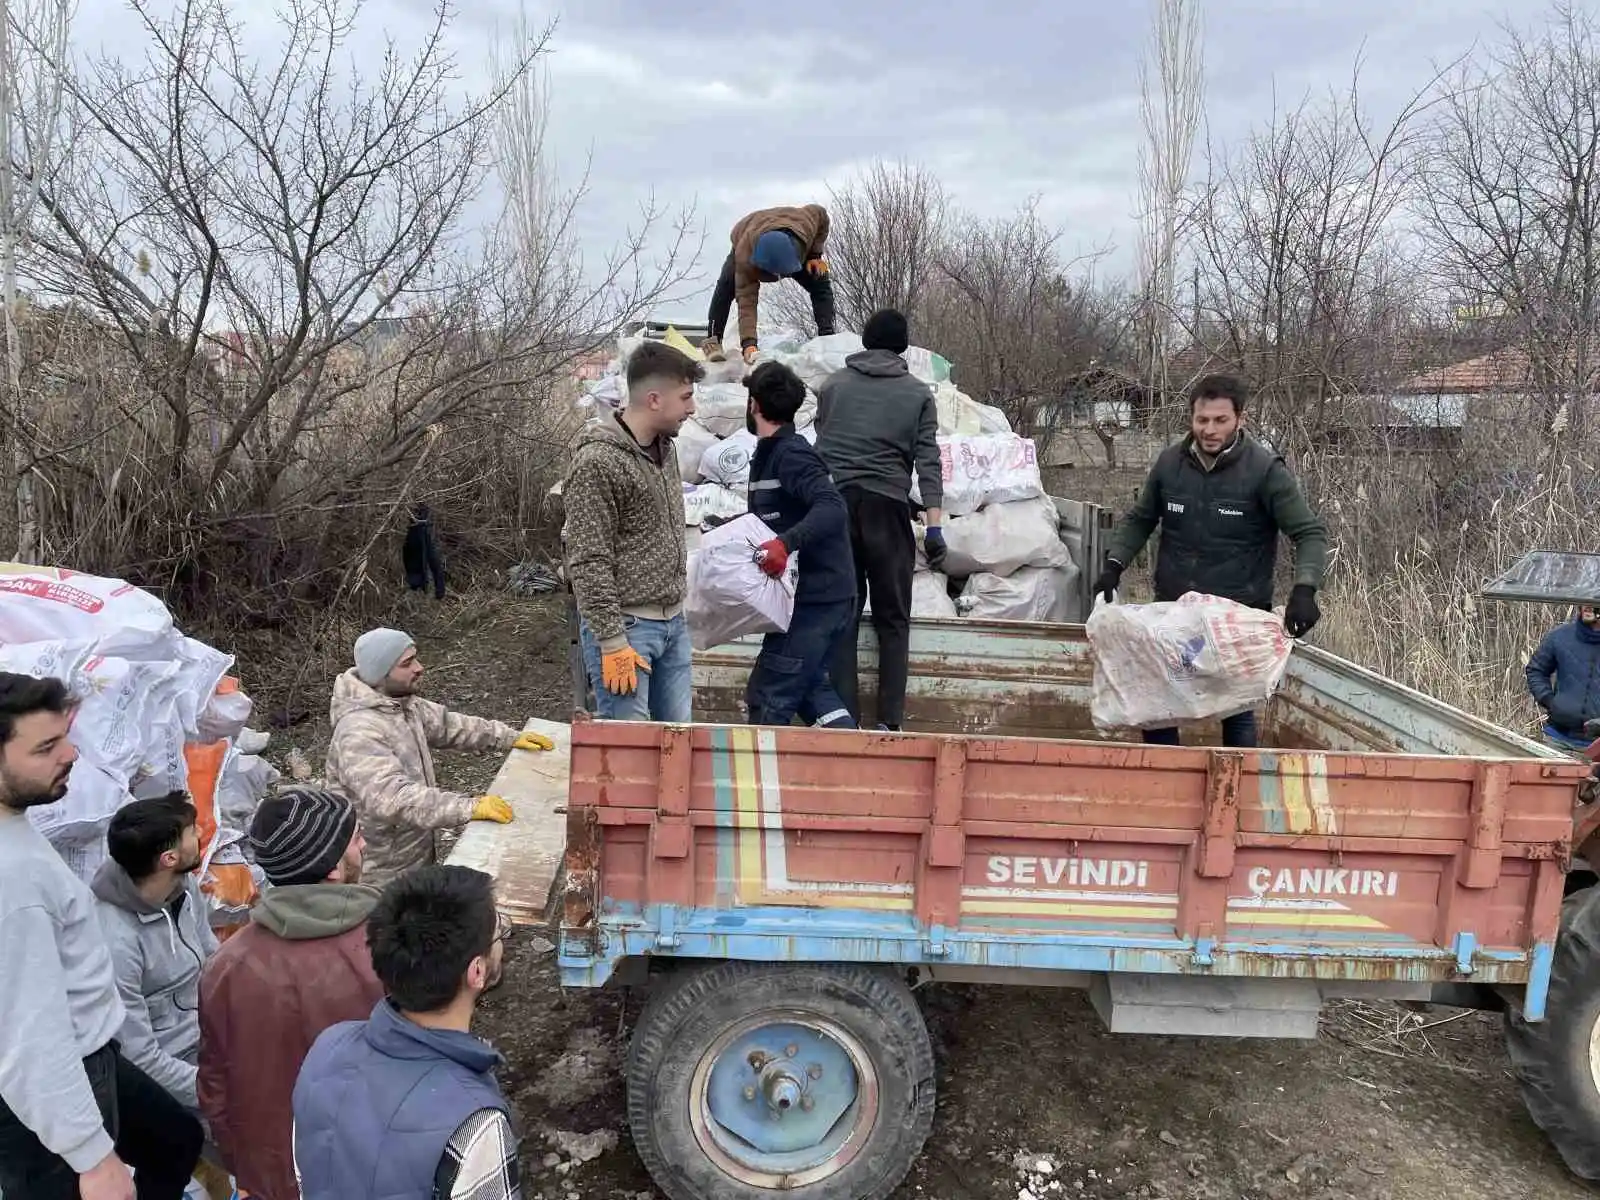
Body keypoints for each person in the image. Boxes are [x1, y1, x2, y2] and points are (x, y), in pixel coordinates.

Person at [0, 672, 204, 1200]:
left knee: (176, 1139)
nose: (70, 753)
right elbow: (28, 1037)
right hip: (58, 1077)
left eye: (64, 735)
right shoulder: (13, 883)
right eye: (46, 746)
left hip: (95, 1055)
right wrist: (92, 1158)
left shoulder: (14, 828)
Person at [1094, 373, 1329, 749]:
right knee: (1158, 704)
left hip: (1234, 618)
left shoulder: (1264, 471)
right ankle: (1164, 783)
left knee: (1235, 712)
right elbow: (1140, 519)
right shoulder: (1170, 464)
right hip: (1174, 612)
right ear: (1191, 418)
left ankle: (1234, 795)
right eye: (1202, 420)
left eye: (1221, 420)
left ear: (1241, 419)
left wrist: (1305, 588)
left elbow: (1309, 533)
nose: (1210, 429)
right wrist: (1114, 565)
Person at [198, 787, 385, 1200]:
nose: (365, 844)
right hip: (368, 1171)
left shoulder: (226, 966)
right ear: (334, 868)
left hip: (271, 1176)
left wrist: (244, 1167)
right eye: (355, 838)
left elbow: (215, 1086)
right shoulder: (388, 951)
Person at [292, 866, 517, 1200]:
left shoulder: (326, 1048)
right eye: (499, 936)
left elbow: (304, 1177)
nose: (501, 944)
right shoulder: (476, 1124)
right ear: (477, 971)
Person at [324, 628, 553, 888]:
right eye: (407, 663)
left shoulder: (402, 704)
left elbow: (450, 726)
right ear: (380, 673)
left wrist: (508, 737)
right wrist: (468, 807)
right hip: (377, 871)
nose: (419, 668)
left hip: (413, 853)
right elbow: (392, 798)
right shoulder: (358, 732)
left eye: (416, 658)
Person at [814, 308, 945, 731]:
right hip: (888, 511)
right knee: (893, 618)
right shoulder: (917, 393)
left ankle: (844, 723)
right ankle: (890, 722)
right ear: (903, 347)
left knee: (844, 616)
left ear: (865, 342)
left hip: (835, 511)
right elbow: (928, 462)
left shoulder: (832, 386)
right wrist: (936, 526)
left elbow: (822, 450)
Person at [563, 341, 701, 723]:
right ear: (655, 399)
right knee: (631, 754)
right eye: (686, 397)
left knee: (677, 744)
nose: (692, 409)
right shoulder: (598, 462)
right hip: (628, 630)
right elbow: (589, 558)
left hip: (673, 623)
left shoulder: (665, 449)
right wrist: (610, 640)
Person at [742, 361, 859, 729]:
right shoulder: (770, 453)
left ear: (754, 404)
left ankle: (755, 784)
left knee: (769, 695)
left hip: (817, 599)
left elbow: (832, 506)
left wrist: (785, 543)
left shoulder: (791, 455)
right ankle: (857, 760)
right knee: (809, 690)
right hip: (817, 597)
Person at [91, 791, 219, 1114]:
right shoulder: (116, 943)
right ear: (169, 859)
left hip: (212, 1037)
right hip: (174, 1075)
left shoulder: (182, 886)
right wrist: (217, 1092)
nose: (201, 834)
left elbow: (213, 961)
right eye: (192, 832)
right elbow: (141, 1058)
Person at [701, 204, 834, 365]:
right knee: (726, 286)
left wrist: (815, 255)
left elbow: (821, 213)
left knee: (819, 277)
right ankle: (712, 341)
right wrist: (749, 345)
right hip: (747, 235)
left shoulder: (807, 224)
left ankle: (828, 337)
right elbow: (746, 302)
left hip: (792, 245)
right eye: (775, 274)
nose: (778, 278)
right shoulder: (745, 260)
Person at [1526, 604, 1600, 750]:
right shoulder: (1559, 636)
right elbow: (1536, 670)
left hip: (1597, 747)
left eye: (1595, 601)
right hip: (1557, 739)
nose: (1588, 606)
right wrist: (1550, 701)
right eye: (1583, 599)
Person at [403, 503, 446, 600]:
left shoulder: (417, 532)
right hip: (418, 529)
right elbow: (433, 561)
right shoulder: (421, 533)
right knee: (425, 558)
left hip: (416, 529)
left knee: (420, 557)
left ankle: (423, 587)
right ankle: (431, 589)